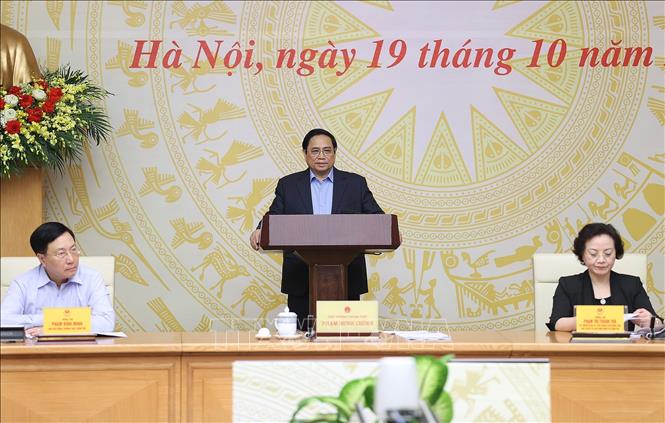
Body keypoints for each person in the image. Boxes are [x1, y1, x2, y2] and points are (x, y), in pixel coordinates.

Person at [249, 128, 384, 325]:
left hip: (346, 277)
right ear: (305, 154)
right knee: (301, 339)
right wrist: (261, 229)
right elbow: (275, 215)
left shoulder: (355, 184)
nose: (321, 156)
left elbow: (376, 217)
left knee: (345, 339)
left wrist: (390, 230)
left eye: (327, 150)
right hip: (301, 278)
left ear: (334, 153)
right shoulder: (288, 185)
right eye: (315, 151)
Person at [1, 222, 115, 336]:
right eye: (61, 253)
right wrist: (50, 319)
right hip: (37, 347)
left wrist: (55, 328)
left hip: (80, 347)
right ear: (42, 259)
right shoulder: (23, 283)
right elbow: (4, 320)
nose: (71, 259)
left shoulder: (92, 279)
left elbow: (106, 322)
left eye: (73, 249)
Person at [546, 222, 662, 332]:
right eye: (593, 253)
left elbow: (658, 323)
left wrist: (651, 321)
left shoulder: (632, 284)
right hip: (581, 346)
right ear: (582, 255)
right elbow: (556, 323)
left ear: (616, 253)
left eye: (608, 253)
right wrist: (598, 320)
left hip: (623, 346)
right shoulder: (568, 284)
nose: (601, 260)